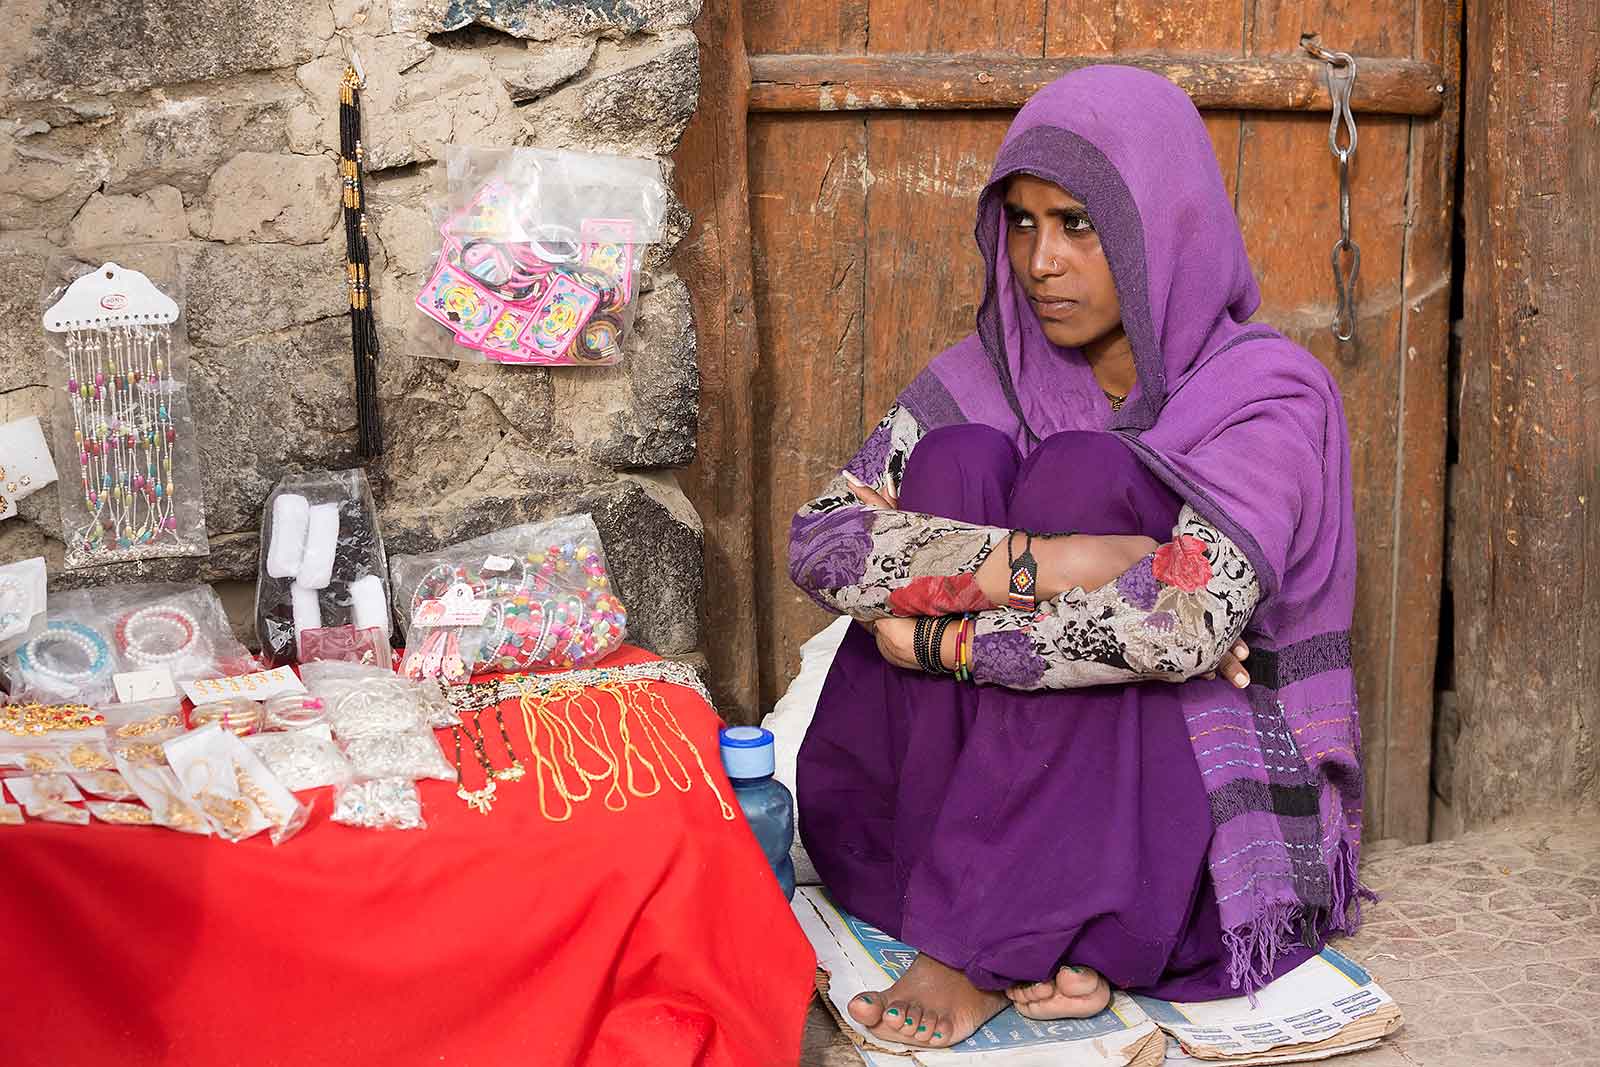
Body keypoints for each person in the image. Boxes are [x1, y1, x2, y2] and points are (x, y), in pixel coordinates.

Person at [787, 65, 1368, 1051]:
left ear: (1160, 225)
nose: (1039, 261)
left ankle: (993, 932)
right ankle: (995, 903)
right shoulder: (985, 373)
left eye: (1077, 225)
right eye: (1020, 224)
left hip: (1167, 800)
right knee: (961, 459)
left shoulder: (1266, 398)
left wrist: (944, 643)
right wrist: (1050, 565)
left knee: (1084, 475)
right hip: (929, 806)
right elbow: (824, 538)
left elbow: (1180, 625)